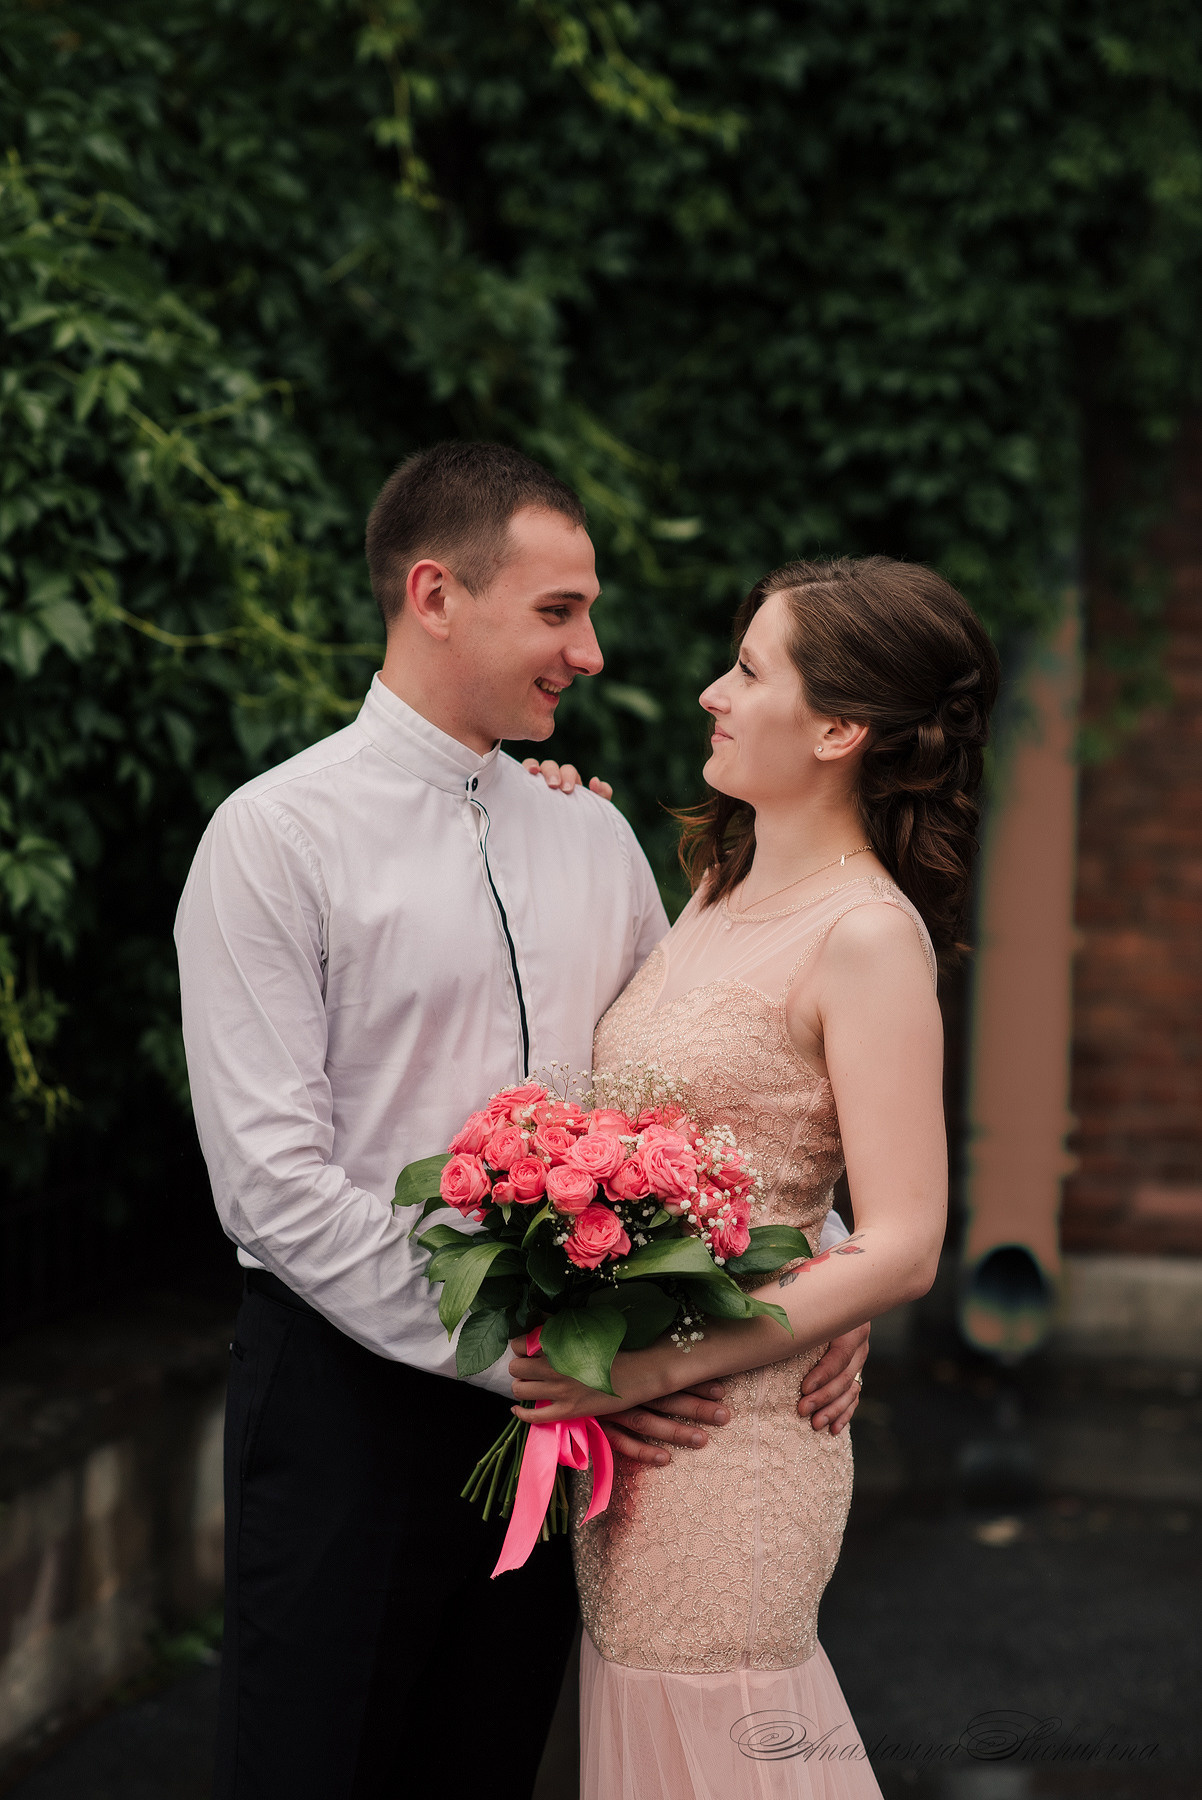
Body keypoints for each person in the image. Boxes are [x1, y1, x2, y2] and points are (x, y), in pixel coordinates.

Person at [174, 441, 868, 1800]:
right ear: (435, 595)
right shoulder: (273, 839)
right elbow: (272, 1185)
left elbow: (689, 1086)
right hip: (347, 1404)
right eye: (559, 612)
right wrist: (527, 1354)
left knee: (486, 1765)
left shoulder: (591, 836)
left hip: (573, 1421)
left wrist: (822, 1263)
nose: (593, 652)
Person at [509, 555, 1000, 1799]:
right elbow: (758, 1155)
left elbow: (903, 1243)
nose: (708, 695)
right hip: (638, 1446)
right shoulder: (717, 889)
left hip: (725, 1439)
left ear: (837, 729)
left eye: (748, 670)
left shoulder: (869, 937)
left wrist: (654, 1366)